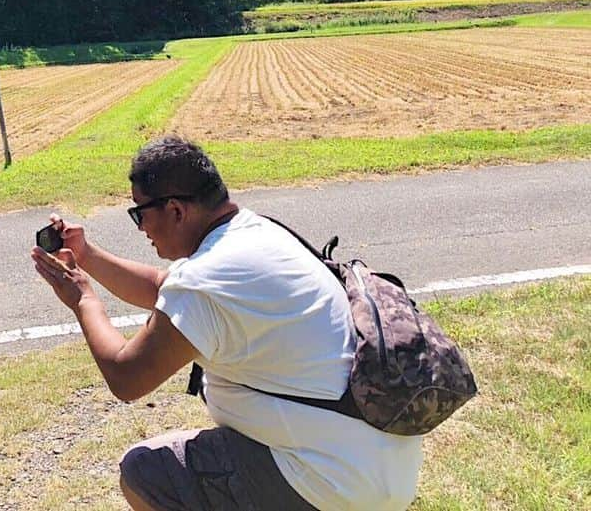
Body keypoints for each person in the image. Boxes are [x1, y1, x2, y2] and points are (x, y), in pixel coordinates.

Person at [31, 135, 422, 511]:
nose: (140, 228)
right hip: (377, 465)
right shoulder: (253, 233)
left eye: (139, 213)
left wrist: (83, 299)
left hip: (331, 482)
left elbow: (126, 376)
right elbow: (160, 287)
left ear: (176, 211)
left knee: (145, 472)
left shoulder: (205, 280)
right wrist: (87, 255)